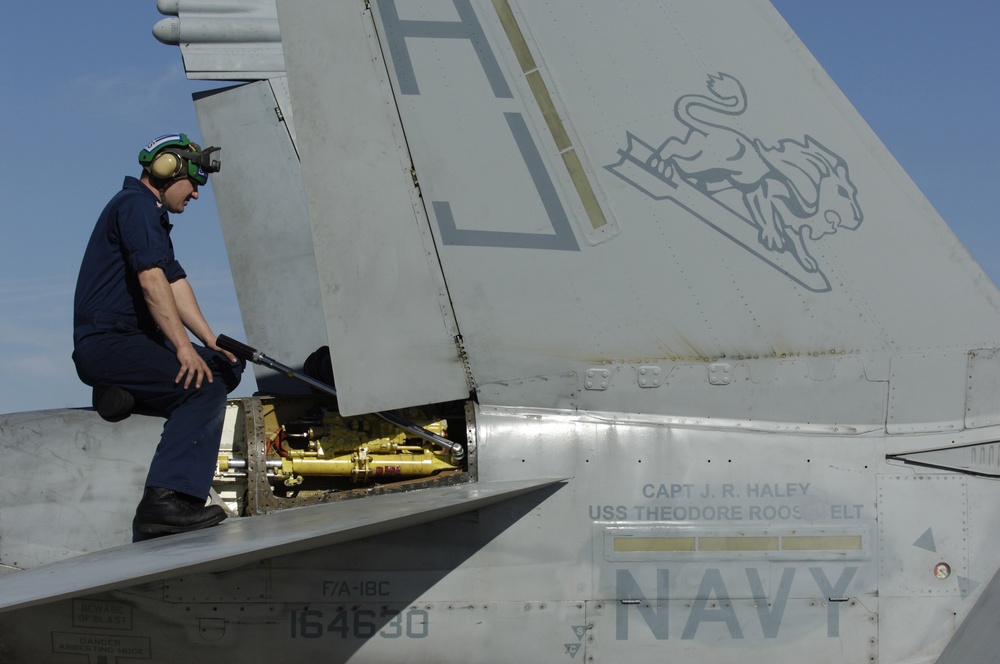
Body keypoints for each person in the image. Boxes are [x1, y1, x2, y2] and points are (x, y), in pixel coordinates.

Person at [72, 133, 245, 542]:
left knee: (224, 366)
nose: (198, 194)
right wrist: (184, 349)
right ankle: (166, 501)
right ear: (169, 169)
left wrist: (210, 340)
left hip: (124, 343)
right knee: (203, 386)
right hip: (109, 342)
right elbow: (152, 282)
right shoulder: (134, 207)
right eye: (196, 181)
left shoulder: (147, 212)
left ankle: (127, 394)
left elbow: (173, 280)